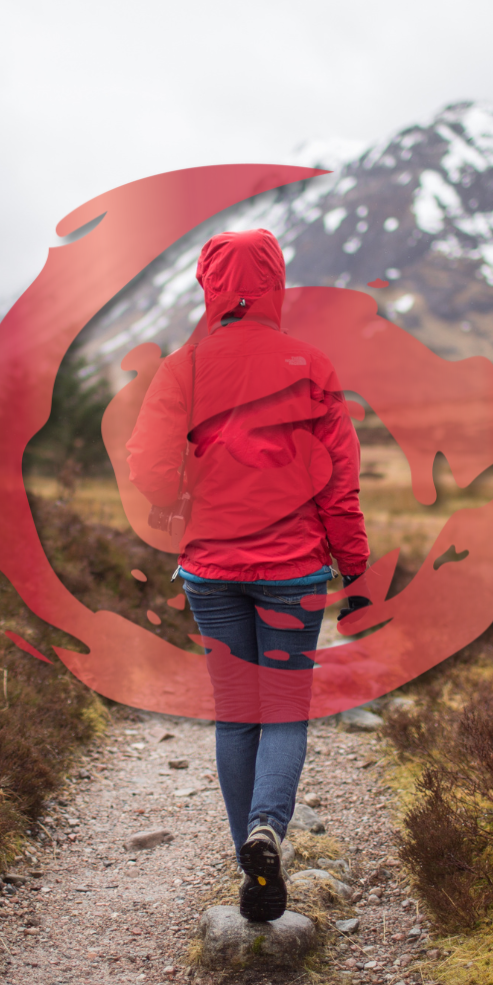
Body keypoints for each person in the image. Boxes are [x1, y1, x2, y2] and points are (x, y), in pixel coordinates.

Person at [126, 228, 369, 922]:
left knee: (237, 715)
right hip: (294, 571)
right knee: (285, 710)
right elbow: (339, 489)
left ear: (209, 284)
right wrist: (356, 569)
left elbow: (147, 465)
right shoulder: (311, 365)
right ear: (276, 284)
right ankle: (269, 830)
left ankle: (251, 866)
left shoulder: (185, 366)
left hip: (210, 567)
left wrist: (178, 505)